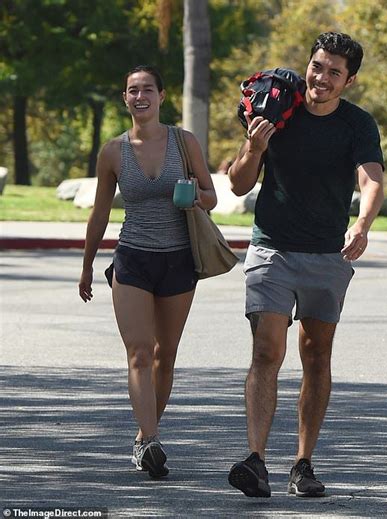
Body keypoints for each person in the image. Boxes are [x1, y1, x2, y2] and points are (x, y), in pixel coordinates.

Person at [227, 32, 384, 498]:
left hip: (325, 255)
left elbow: (371, 178)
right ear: (308, 65)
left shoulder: (357, 124)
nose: (322, 77)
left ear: (349, 80)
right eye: (318, 66)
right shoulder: (279, 109)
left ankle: (302, 463)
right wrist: (254, 147)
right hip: (272, 249)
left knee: (315, 356)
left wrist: (362, 224)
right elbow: (238, 185)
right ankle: (256, 460)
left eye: (335, 72)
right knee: (266, 352)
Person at [78, 65, 217, 479]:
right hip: (133, 259)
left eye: (147, 90)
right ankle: (153, 443)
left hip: (178, 260)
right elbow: (100, 212)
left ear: (161, 96)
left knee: (165, 355)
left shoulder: (183, 141)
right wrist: (86, 266)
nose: (140, 97)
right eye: (132, 91)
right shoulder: (112, 152)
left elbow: (211, 196)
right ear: (126, 98)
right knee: (139, 352)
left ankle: (142, 438)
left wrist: (194, 198)